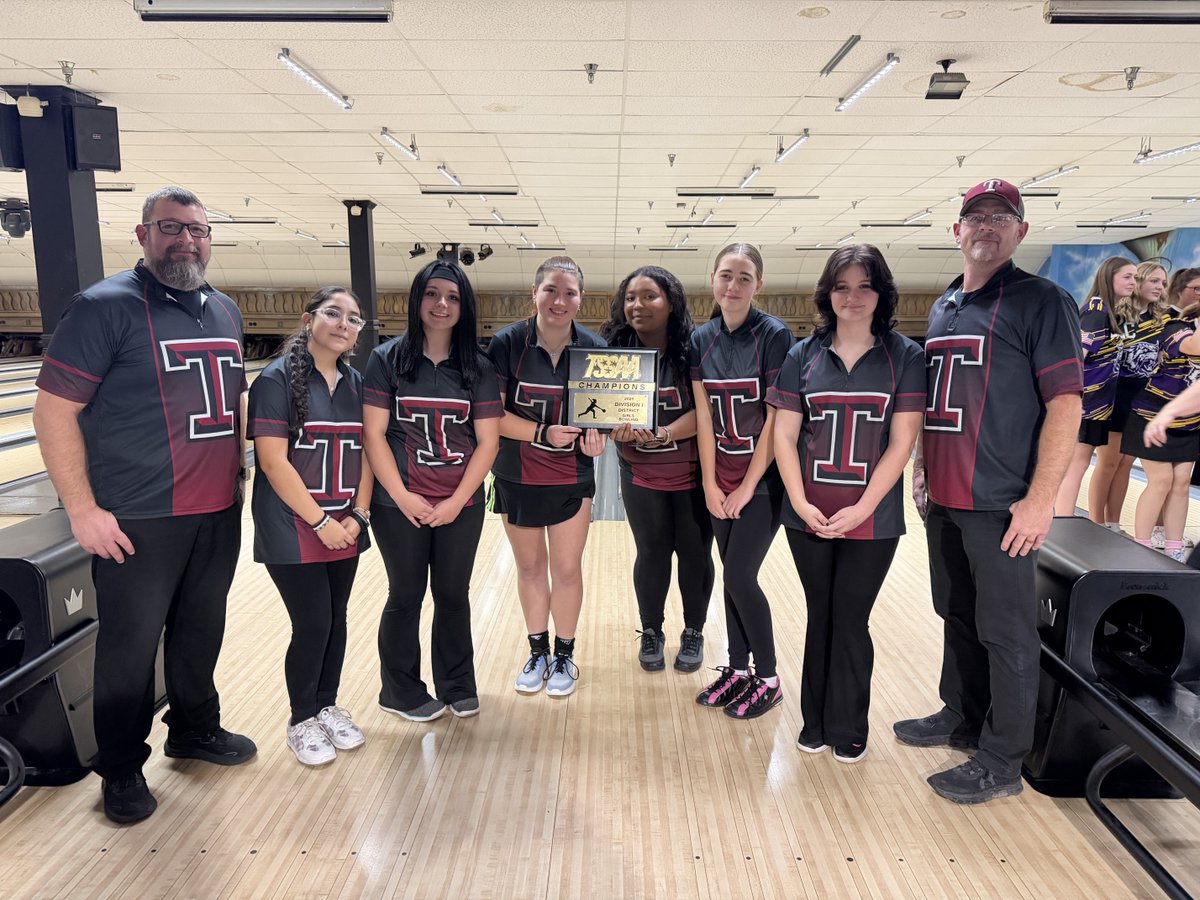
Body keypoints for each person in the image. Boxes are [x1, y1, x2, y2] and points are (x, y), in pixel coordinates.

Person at [33, 186, 256, 824]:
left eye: (197, 230)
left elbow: (233, 401)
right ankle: (122, 767)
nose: (186, 240)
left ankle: (194, 727)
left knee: (200, 630)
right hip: (138, 517)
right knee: (129, 650)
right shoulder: (103, 308)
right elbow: (53, 412)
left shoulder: (225, 309)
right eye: (171, 227)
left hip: (217, 509)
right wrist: (82, 510)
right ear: (143, 234)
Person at [893, 178, 1082, 803]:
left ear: (1021, 232)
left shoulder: (1042, 301)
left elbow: (1066, 404)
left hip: (1001, 502)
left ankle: (1002, 760)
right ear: (957, 230)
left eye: (1002, 218)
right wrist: (922, 467)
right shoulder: (946, 303)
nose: (987, 227)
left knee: (1006, 632)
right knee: (957, 613)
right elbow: (937, 401)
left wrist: (1041, 499)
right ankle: (963, 714)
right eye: (977, 217)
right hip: (945, 499)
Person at [769, 245, 924, 763]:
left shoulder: (905, 356)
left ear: (881, 294)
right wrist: (798, 500)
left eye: (864, 286)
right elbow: (784, 436)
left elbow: (902, 442)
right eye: (841, 287)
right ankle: (814, 721)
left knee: (851, 617)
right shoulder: (802, 355)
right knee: (821, 614)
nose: (852, 297)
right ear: (827, 294)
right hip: (808, 514)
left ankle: (849, 725)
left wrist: (862, 508)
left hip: (872, 519)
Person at [364, 261, 501, 721]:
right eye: (432, 294)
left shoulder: (478, 368)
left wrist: (457, 502)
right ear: (417, 299)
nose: (442, 304)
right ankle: (399, 691)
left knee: (453, 593)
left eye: (453, 297)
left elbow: (488, 443)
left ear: (464, 307)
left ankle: (457, 684)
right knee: (405, 595)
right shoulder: (386, 360)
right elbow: (374, 435)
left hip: (460, 503)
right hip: (397, 503)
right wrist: (403, 497)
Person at [248, 287, 373, 766]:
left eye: (353, 319)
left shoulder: (357, 383)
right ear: (308, 320)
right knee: (313, 621)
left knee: (336, 618)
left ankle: (326, 705)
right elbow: (272, 462)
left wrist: (359, 515)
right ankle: (301, 718)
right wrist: (321, 521)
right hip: (293, 524)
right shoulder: (276, 380)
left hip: (345, 522)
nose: (344, 324)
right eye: (333, 313)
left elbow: (370, 453)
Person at [486, 256, 606, 698]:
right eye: (551, 290)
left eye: (569, 292)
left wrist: (598, 439)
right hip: (516, 474)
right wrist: (543, 433)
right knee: (531, 568)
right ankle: (537, 652)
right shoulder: (506, 343)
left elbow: (603, 417)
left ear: (580, 299)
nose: (559, 300)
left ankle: (564, 655)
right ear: (534, 294)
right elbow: (493, 414)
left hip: (571, 477)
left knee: (567, 570)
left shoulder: (595, 348)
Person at [691, 242, 793, 720]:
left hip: (763, 482)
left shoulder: (774, 334)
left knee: (738, 576)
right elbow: (704, 418)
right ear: (713, 279)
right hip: (720, 480)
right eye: (726, 275)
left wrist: (747, 486)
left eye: (745, 277)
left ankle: (768, 678)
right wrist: (711, 485)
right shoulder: (701, 339)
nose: (733, 285)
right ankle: (737, 668)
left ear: (759, 285)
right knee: (732, 577)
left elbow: (776, 418)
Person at [600, 265, 713, 673]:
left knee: (695, 555)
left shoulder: (695, 350)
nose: (638, 305)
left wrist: (664, 434)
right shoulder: (614, 354)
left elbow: (706, 412)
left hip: (693, 475)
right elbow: (600, 411)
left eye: (649, 296)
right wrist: (613, 429)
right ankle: (651, 630)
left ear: (671, 303)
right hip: (641, 475)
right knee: (651, 553)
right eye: (631, 297)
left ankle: (694, 630)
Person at [1086, 261, 1172, 530]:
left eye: (1163, 283)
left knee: (1124, 464)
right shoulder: (1116, 316)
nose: (1159, 287)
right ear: (1138, 281)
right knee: (1108, 461)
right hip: (1113, 394)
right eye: (1154, 281)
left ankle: (1113, 523)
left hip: (1142, 397)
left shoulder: (1161, 320)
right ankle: (1095, 523)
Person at [1053, 256, 1137, 518]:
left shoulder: (1108, 312)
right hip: (1087, 404)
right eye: (1127, 276)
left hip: (1099, 404)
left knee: (1078, 464)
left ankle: (1063, 518)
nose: (1133, 282)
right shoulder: (1097, 312)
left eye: (1135, 277)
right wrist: (1072, 400)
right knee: (1076, 465)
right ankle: (1063, 520)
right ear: (1109, 277)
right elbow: (1078, 359)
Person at [1123, 298, 1200, 560]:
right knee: (1162, 480)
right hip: (1152, 415)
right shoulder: (1177, 327)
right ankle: (1141, 547)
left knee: (1182, 482)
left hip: (1189, 422)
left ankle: (1174, 547)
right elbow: (1194, 346)